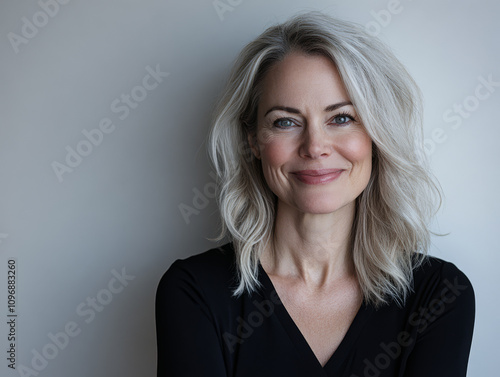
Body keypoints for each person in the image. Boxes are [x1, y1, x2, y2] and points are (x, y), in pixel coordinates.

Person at [155, 11, 475, 377]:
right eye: (285, 122)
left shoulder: (439, 295)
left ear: (376, 135)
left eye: (341, 118)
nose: (315, 146)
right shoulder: (195, 292)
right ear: (253, 141)